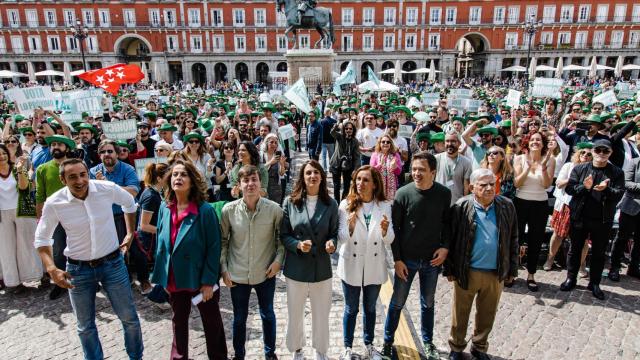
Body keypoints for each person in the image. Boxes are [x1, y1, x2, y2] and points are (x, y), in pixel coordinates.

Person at [34, 158, 143, 360]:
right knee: (85, 327)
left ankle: (136, 357)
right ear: (62, 179)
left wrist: (129, 233)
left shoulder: (106, 188)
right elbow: (41, 238)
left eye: (83, 175)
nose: (79, 181)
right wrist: (51, 268)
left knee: (129, 319)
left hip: (113, 264)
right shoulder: (55, 202)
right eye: (72, 176)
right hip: (77, 270)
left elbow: (130, 203)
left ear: (88, 174)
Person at [151, 160, 227, 359]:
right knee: (178, 322)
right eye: (175, 175)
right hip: (175, 279)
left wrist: (209, 281)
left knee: (212, 323)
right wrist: (162, 276)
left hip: (201, 279)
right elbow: (161, 243)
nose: (178, 178)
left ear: (192, 181)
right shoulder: (165, 208)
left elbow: (214, 248)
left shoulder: (205, 210)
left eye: (183, 174)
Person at [381, 151, 451, 360]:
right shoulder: (403, 193)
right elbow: (395, 229)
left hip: (432, 259)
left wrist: (445, 247)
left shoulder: (443, 194)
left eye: (421, 169)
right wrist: (398, 259)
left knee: (428, 303)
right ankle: (387, 341)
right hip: (407, 260)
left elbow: (447, 224)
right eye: (414, 169)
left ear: (433, 172)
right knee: (397, 303)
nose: (416, 173)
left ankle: (428, 342)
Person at [445, 168, 519, 360]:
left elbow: (513, 238)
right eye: (483, 184)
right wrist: (450, 268)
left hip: (495, 272)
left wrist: (512, 267)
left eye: (491, 184)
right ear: (472, 187)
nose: (488, 188)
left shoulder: (506, 206)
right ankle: (457, 346)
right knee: (460, 312)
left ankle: (479, 346)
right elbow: (451, 240)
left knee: (487, 314)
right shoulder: (461, 207)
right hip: (467, 270)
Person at [220, 165, 283, 360]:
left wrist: (278, 262)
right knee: (239, 319)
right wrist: (224, 269)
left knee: (268, 315)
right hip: (237, 274)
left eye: (254, 179)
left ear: (260, 182)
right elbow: (223, 242)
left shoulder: (274, 210)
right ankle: (239, 355)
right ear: (238, 185)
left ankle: (270, 354)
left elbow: (281, 241)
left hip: (265, 272)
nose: (250, 184)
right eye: (245, 181)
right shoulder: (228, 211)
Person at [280, 160, 339, 360]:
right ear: (302, 177)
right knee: (295, 312)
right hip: (296, 267)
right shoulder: (290, 202)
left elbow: (334, 233)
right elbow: (284, 234)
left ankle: (320, 349)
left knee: (321, 312)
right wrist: (296, 245)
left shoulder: (331, 204)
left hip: (321, 266)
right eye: (308, 173)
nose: (312, 176)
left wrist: (332, 243)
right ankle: (297, 348)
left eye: (316, 172)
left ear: (322, 177)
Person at [337, 166, 394, 360]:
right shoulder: (345, 204)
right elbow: (341, 239)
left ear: (375, 184)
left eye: (366, 180)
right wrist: (350, 227)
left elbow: (390, 239)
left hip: (374, 264)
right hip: (351, 264)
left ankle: (369, 344)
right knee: (351, 309)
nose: (360, 184)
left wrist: (386, 231)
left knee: (370, 308)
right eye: (358, 180)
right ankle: (348, 347)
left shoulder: (385, 206)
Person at [561, 139, 624, 300]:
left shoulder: (616, 172)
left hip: (602, 219)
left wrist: (606, 189)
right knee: (575, 249)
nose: (601, 154)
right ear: (593, 151)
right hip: (580, 216)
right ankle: (571, 278)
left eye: (606, 151)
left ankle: (594, 283)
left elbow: (619, 194)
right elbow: (569, 189)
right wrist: (584, 187)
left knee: (598, 253)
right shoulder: (580, 168)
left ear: (610, 153)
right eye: (598, 150)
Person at [513, 131, 554, 292]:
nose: (535, 142)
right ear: (527, 143)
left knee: (535, 240)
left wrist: (543, 168)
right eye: (532, 139)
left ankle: (531, 274)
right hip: (521, 202)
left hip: (540, 204)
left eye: (538, 140)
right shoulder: (519, 158)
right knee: (516, 237)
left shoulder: (550, 160)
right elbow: (517, 183)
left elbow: (546, 185)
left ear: (543, 144)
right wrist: (528, 168)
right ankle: (512, 272)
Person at [35, 135, 75, 300]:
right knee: (58, 251)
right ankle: (61, 282)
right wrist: (40, 218)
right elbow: (40, 195)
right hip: (54, 218)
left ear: (67, 148)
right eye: (53, 145)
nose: (55, 147)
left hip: (75, 214)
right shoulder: (42, 169)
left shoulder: (74, 166)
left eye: (59, 144)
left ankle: (86, 281)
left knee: (79, 248)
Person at [0, 144, 42, 294]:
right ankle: (13, 282)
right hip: (2, 214)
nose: (2, 156)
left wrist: (20, 170)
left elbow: (24, 187)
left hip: (22, 209)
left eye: (4, 153)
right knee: (6, 248)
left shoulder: (18, 167)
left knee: (28, 244)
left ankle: (36, 274)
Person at [545, 143, 592, 275]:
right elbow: (558, 184)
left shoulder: (594, 170)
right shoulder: (568, 166)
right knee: (558, 234)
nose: (586, 156)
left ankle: (582, 265)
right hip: (565, 205)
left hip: (584, 207)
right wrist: (573, 178)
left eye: (589, 154)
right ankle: (550, 258)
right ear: (578, 154)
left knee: (583, 239)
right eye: (583, 153)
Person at [90, 140, 140, 244]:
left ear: (117, 154)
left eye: (110, 151)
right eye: (103, 152)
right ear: (99, 156)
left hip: (125, 218)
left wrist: (108, 185)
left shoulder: (128, 169)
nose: (106, 154)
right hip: (104, 219)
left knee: (129, 252)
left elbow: (133, 192)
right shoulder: (93, 171)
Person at [134, 162, 169, 295]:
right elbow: (144, 225)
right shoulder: (150, 196)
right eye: (168, 175)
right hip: (148, 241)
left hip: (152, 239)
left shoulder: (154, 192)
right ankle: (158, 297)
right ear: (159, 178)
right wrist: (165, 230)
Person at [609, 154, 640, 280]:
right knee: (622, 238)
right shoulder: (634, 162)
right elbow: (626, 182)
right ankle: (614, 268)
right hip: (631, 206)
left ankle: (633, 268)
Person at [435, 132, 472, 205]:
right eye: (447, 141)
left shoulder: (466, 162)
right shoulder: (436, 159)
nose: (449, 144)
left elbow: (466, 187)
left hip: (457, 204)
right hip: (438, 203)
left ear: (459, 143)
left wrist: (464, 204)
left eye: (453, 141)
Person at [329, 121, 360, 202]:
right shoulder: (340, 136)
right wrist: (336, 125)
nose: (348, 130)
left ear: (353, 130)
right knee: (337, 186)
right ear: (344, 129)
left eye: (350, 128)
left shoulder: (355, 141)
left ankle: (342, 203)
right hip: (336, 164)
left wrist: (356, 169)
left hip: (348, 165)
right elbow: (332, 132)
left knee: (346, 187)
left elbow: (357, 157)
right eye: (346, 128)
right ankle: (336, 203)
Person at [370, 134, 403, 200]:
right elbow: (371, 171)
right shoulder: (375, 155)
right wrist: (379, 165)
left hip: (392, 188)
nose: (386, 143)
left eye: (388, 142)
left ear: (390, 144)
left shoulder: (395, 155)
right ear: (380, 143)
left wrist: (395, 167)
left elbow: (399, 172)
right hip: (378, 186)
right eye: (383, 142)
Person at [260, 133, 288, 204]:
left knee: (276, 208)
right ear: (266, 143)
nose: (274, 144)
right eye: (271, 142)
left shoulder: (278, 156)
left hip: (276, 187)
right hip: (263, 186)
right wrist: (270, 162)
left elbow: (281, 174)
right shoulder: (261, 155)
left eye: (276, 143)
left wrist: (282, 164)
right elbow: (258, 171)